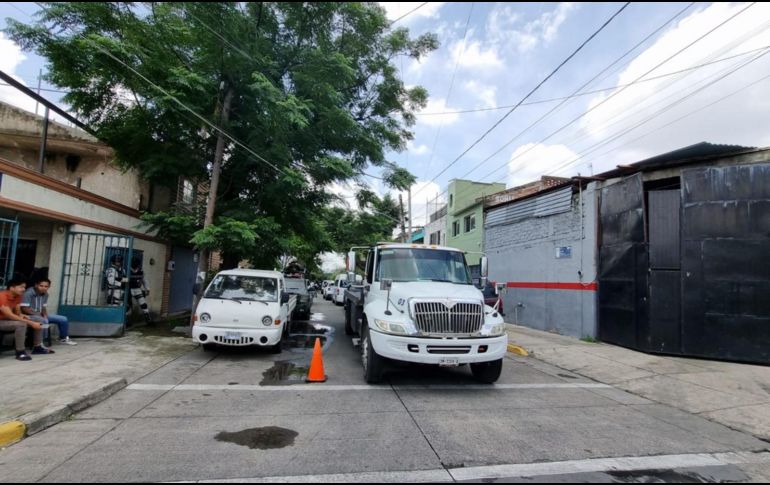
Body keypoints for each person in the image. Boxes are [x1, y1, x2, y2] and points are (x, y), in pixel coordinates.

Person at [0, 278, 55, 361]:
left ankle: (37, 347)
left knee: (38, 320)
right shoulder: (2, 296)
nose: (23, 289)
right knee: (21, 325)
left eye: (24, 287)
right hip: (3, 320)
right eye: (21, 287)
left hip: (7, 319)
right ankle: (20, 352)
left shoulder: (18, 296)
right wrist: (31, 323)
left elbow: (18, 313)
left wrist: (24, 316)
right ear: (12, 288)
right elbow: (10, 315)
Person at [21, 277, 77, 346]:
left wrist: (45, 315)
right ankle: (41, 341)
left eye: (46, 286)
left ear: (49, 287)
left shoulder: (45, 294)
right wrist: (38, 315)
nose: (43, 288)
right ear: (36, 285)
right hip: (29, 315)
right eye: (41, 286)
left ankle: (63, 338)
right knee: (44, 321)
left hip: (39, 314)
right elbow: (25, 308)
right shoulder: (28, 293)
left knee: (63, 319)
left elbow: (43, 307)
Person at [128, 257, 152, 324]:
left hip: (137, 289)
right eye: (134, 263)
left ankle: (148, 317)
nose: (135, 264)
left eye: (136, 263)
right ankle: (126, 320)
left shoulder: (141, 271)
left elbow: (144, 280)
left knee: (143, 304)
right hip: (128, 289)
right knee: (128, 305)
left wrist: (147, 289)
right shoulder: (127, 270)